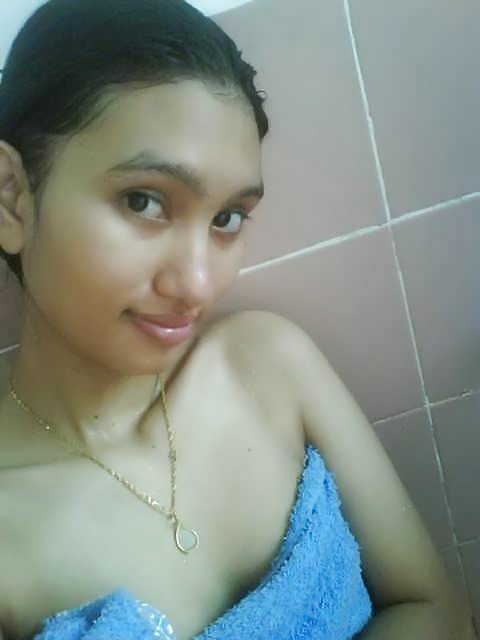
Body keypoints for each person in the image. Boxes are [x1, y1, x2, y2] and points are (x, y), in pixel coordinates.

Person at [0, 1, 476, 639]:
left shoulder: (269, 367)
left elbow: (438, 610)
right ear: (12, 197)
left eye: (227, 218)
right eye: (144, 201)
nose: (199, 284)